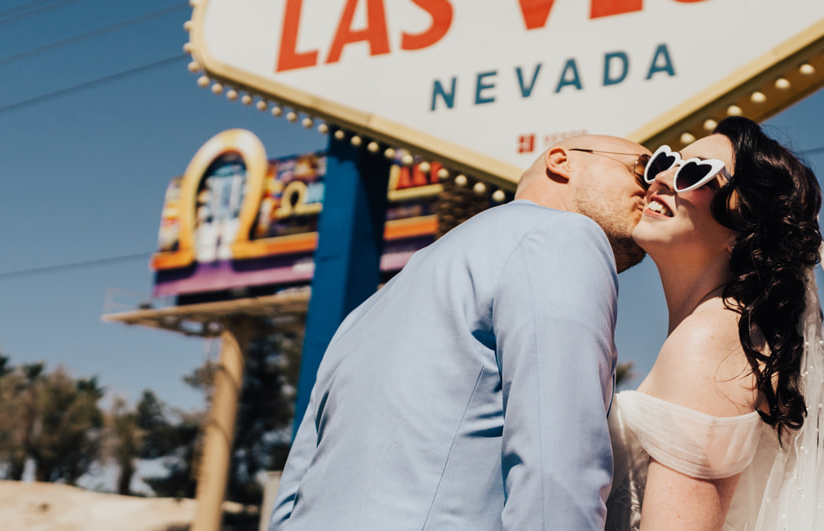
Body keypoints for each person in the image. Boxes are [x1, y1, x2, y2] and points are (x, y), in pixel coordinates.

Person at [269, 134, 652, 531]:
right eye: (644, 169)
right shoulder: (563, 235)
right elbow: (558, 468)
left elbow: (294, 489)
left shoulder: (367, 312)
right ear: (561, 162)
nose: (656, 188)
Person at [607, 116, 824, 531]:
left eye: (695, 173)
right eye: (663, 162)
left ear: (745, 231)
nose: (662, 178)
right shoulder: (732, 332)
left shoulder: (707, 339)